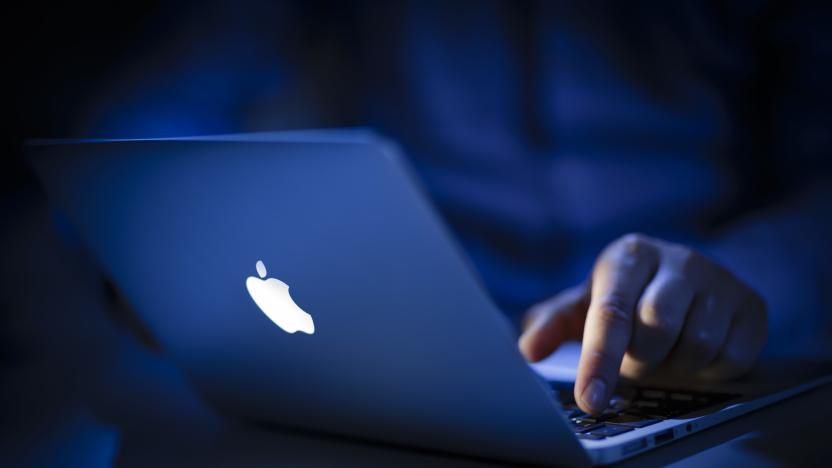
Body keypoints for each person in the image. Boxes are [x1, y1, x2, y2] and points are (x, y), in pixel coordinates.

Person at [52, 1, 832, 415]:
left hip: (696, 364)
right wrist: (149, 248)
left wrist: (746, 278)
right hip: (405, 361)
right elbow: (150, 112)